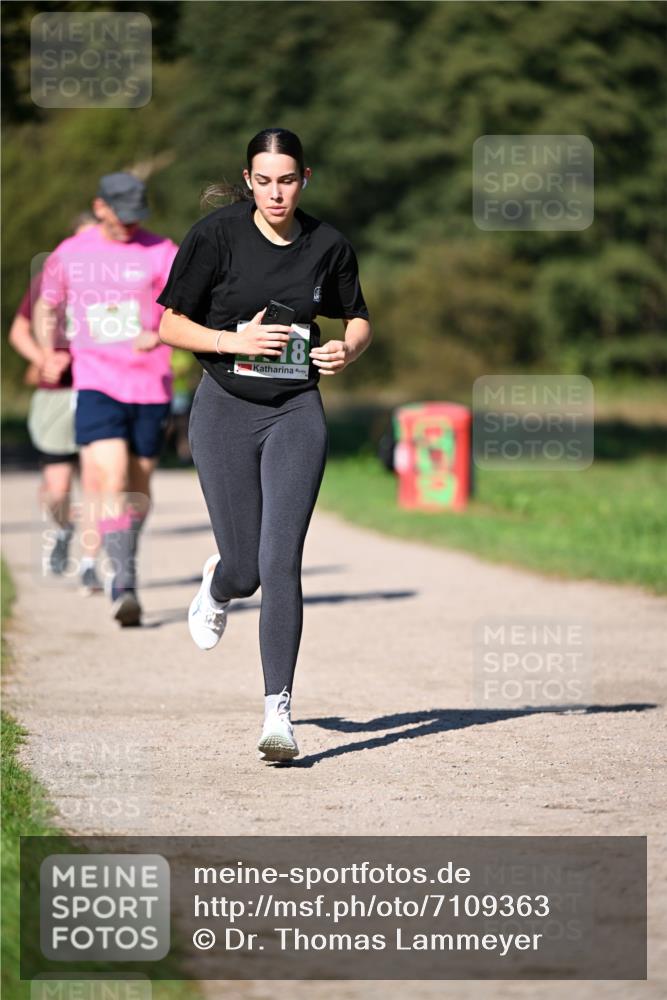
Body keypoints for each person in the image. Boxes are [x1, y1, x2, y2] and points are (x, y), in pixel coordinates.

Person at [157, 127, 372, 761]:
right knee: (246, 570)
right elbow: (168, 322)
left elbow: (355, 316)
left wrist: (346, 349)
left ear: (305, 179)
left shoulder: (327, 244)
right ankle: (218, 585)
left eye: (288, 180)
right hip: (223, 409)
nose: (276, 193)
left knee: (281, 562)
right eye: (264, 180)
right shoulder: (216, 236)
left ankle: (278, 712)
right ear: (248, 180)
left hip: (296, 410)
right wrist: (232, 342)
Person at [34, 173, 179, 626]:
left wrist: (158, 334)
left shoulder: (162, 251)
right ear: (101, 207)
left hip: (150, 384)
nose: (131, 223)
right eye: (122, 214)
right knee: (112, 477)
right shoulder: (71, 253)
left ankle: (124, 557)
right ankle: (124, 582)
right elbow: (46, 306)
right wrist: (47, 352)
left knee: (139, 485)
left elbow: (186, 306)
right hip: (96, 381)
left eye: (138, 214)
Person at [8, 212, 100, 583]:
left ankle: (91, 564)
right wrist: (43, 358)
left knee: (97, 481)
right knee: (58, 487)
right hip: (57, 396)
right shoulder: (47, 281)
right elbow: (18, 332)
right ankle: (62, 529)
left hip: (100, 390)